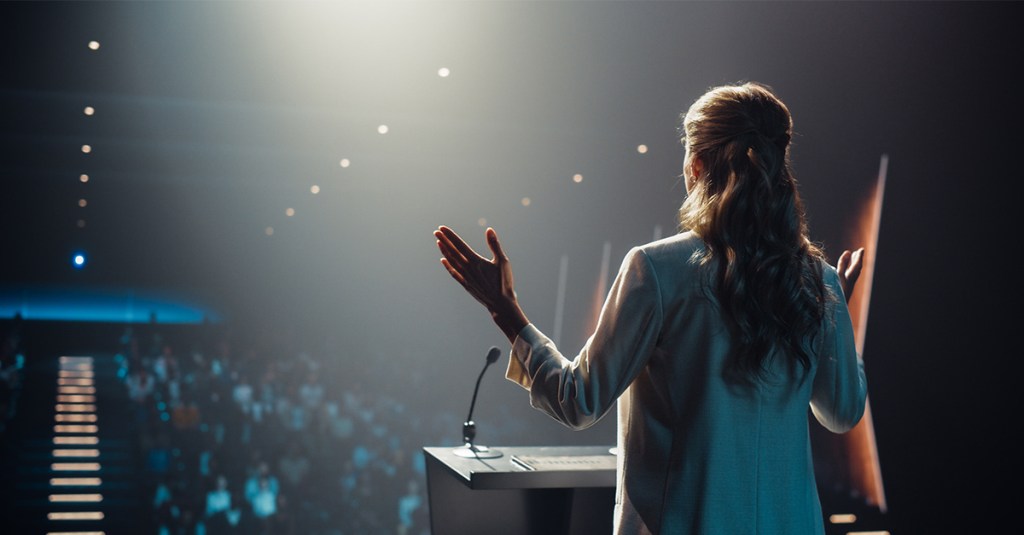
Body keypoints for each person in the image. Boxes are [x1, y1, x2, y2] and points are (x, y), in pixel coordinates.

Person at [433, 81, 868, 534]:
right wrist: (837, 314)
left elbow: (578, 400)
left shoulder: (656, 269)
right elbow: (841, 413)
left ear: (696, 165)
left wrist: (506, 310)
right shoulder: (818, 280)